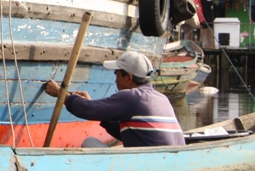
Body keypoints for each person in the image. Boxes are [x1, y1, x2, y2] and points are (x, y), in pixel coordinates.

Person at [43, 51, 185, 147]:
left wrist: (62, 95)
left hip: (151, 164)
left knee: (90, 143)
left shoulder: (132, 96)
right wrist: (94, 106)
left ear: (128, 77)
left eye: (117, 75)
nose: (116, 81)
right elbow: (124, 132)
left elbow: (87, 110)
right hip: (169, 160)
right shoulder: (162, 98)